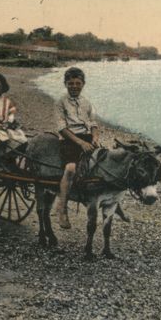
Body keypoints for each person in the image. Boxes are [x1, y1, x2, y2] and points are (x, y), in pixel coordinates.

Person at [54, 67, 100, 229]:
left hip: (87, 138)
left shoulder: (87, 102)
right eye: (70, 83)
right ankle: (62, 209)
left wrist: (94, 138)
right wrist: (80, 143)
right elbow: (62, 128)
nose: (74, 86)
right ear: (65, 84)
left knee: (103, 163)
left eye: (78, 83)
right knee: (71, 168)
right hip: (69, 139)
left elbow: (93, 124)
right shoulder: (61, 102)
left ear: (83, 84)